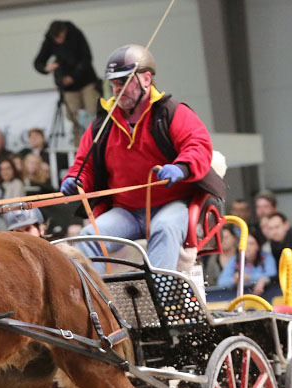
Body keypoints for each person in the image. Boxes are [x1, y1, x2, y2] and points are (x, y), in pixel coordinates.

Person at [61, 44, 223, 270]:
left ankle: (159, 298)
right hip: (126, 212)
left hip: (173, 204)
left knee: (164, 227)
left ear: (146, 79)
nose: (118, 88)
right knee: (88, 237)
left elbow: (197, 146)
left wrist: (181, 167)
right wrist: (76, 180)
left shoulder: (172, 112)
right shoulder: (102, 124)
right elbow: (84, 165)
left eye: (124, 81)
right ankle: (95, 301)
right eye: (114, 83)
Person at [34, 20, 100, 142]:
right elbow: (38, 62)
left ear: (64, 31)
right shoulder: (50, 41)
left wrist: (73, 77)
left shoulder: (76, 34)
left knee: (92, 113)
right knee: (74, 117)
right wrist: (46, 68)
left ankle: (97, 143)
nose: (59, 41)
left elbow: (87, 58)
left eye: (61, 37)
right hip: (68, 87)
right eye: (56, 39)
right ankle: (79, 148)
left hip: (86, 81)